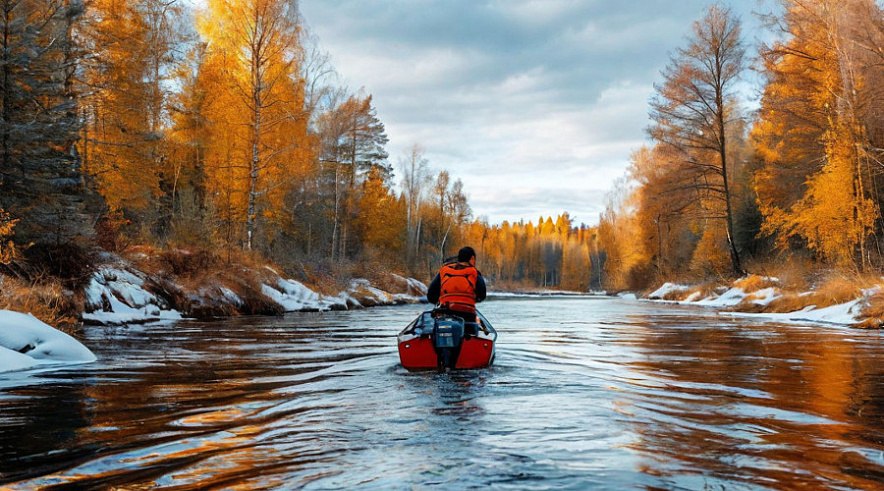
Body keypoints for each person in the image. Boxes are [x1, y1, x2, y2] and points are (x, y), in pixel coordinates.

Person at [426, 246, 486, 323]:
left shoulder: (444, 271)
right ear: (472, 259)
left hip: (445, 312)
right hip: (467, 314)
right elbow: (482, 295)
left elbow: (431, 296)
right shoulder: (474, 273)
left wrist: (441, 300)